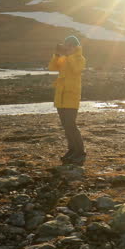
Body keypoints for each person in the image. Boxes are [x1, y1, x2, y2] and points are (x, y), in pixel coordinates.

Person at [48, 35, 86, 165]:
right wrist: (57, 55)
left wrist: (69, 55)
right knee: (66, 125)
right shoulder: (64, 58)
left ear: (76, 47)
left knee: (71, 124)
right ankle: (72, 150)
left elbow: (76, 69)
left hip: (71, 96)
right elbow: (52, 67)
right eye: (67, 45)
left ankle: (80, 151)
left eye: (70, 45)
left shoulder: (80, 59)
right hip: (61, 97)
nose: (68, 47)